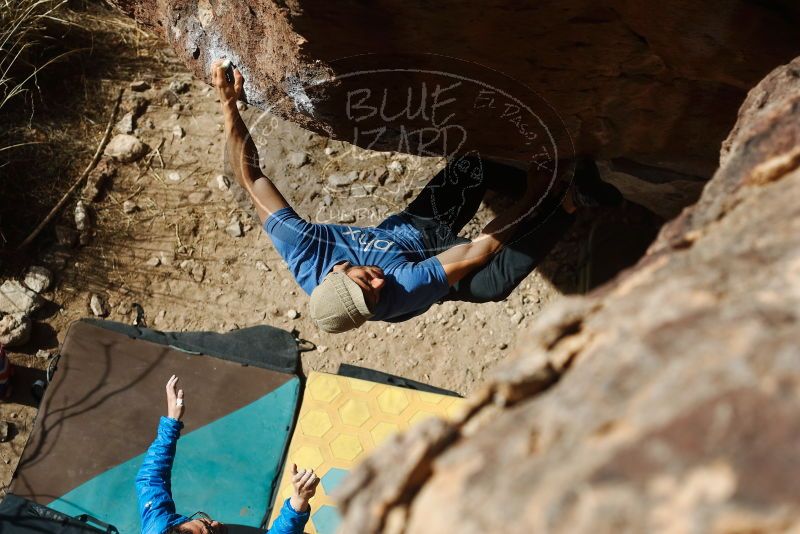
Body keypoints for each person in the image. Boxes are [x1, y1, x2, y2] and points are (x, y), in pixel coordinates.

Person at [212, 60, 622, 333]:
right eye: (373, 293)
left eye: (364, 279)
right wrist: (539, 194)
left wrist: (229, 107)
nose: (377, 279)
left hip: (411, 233)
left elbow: (250, 177)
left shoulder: (301, 247)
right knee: (490, 281)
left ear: (335, 271)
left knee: (469, 168)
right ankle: (568, 202)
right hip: (427, 266)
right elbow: (475, 251)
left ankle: (545, 186)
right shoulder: (398, 293)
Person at [135, 376, 320, 534]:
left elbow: (149, 479)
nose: (216, 523)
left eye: (205, 522)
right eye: (212, 531)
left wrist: (171, 422)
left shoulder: (158, 527)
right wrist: (298, 502)